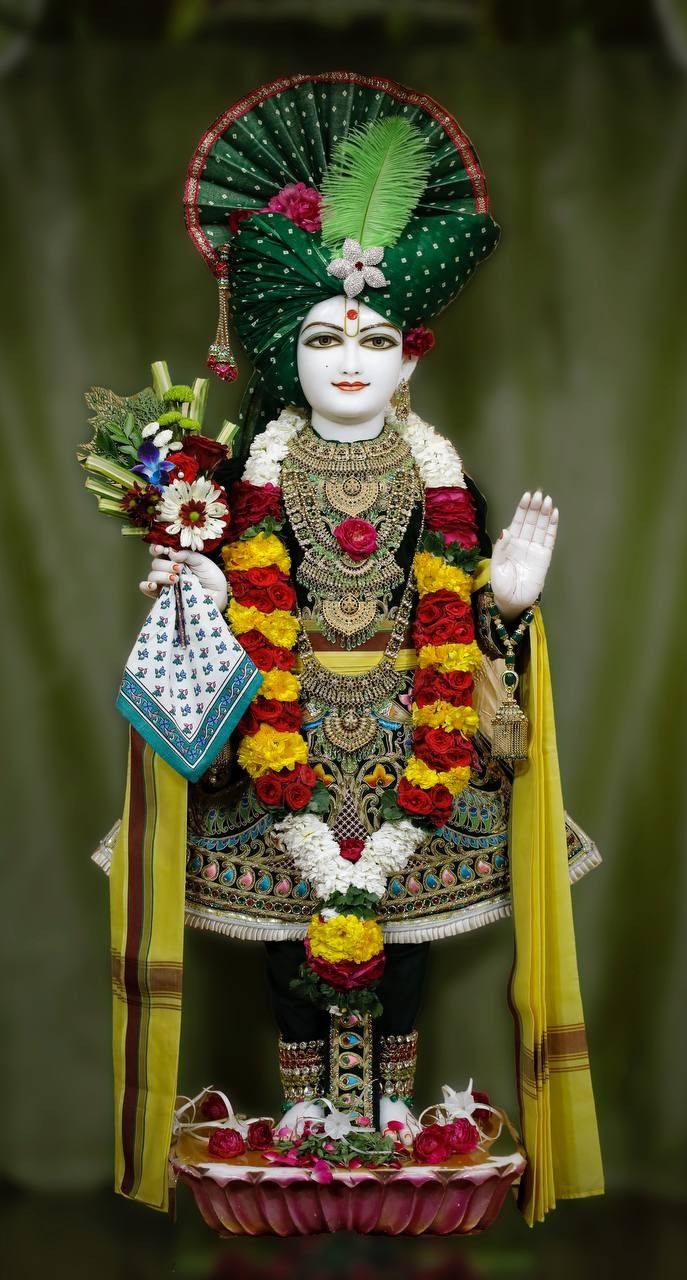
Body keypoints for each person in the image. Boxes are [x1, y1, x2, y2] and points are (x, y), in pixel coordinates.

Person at [101, 72, 602, 1222]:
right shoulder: (243, 481)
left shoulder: (443, 481)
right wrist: (199, 581)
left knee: (407, 934)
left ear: (410, 358)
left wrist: (514, 604)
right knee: (290, 936)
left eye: (373, 338)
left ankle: (383, 1116)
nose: (347, 359)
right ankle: (310, 1118)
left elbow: (467, 628)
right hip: (284, 749)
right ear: (294, 352)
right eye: (324, 336)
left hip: (415, 746)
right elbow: (217, 622)